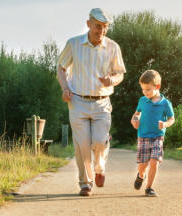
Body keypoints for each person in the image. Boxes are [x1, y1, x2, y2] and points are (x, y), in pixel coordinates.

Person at [57, 8, 126, 196]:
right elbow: (61, 68)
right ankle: (85, 183)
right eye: (98, 26)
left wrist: (112, 80)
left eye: (105, 27)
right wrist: (65, 88)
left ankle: (100, 168)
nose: (101, 31)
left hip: (102, 102)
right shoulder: (73, 44)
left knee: (100, 142)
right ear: (88, 24)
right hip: (78, 101)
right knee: (82, 145)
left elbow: (120, 73)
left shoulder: (113, 47)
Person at [130, 69, 175, 197]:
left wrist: (165, 124)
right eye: (143, 89)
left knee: (154, 162)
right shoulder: (142, 100)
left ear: (157, 86)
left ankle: (149, 188)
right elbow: (136, 114)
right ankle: (141, 175)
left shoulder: (165, 103)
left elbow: (172, 119)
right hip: (143, 136)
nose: (145, 92)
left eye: (148, 89)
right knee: (142, 165)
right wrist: (134, 120)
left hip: (158, 136)